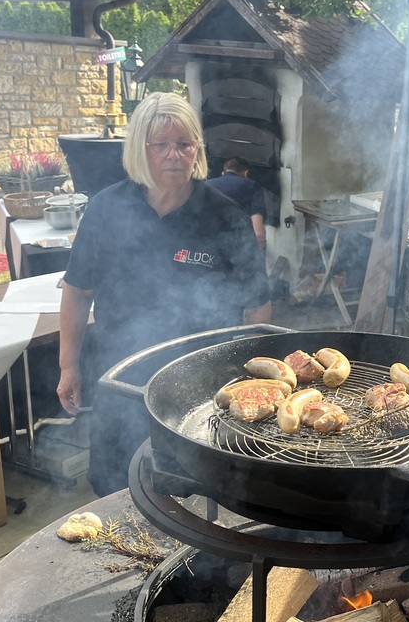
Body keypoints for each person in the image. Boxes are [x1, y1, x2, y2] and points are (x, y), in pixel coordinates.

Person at [56, 93, 272, 497]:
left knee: (196, 490)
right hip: (120, 376)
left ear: (198, 150)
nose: (175, 155)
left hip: (199, 385)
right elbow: (77, 290)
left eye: (185, 144)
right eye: (161, 145)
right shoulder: (106, 210)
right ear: (141, 149)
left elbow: (257, 307)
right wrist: (69, 366)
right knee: (114, 484)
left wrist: (251, 378)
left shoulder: (226, 218)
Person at [204, 156, 267, 251]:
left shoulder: (206, 185)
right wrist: (259, 248)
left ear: (223, 173)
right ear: (246, 173)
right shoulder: (252, 186)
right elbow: (258, 231)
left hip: (207, 248)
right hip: (237, 250)